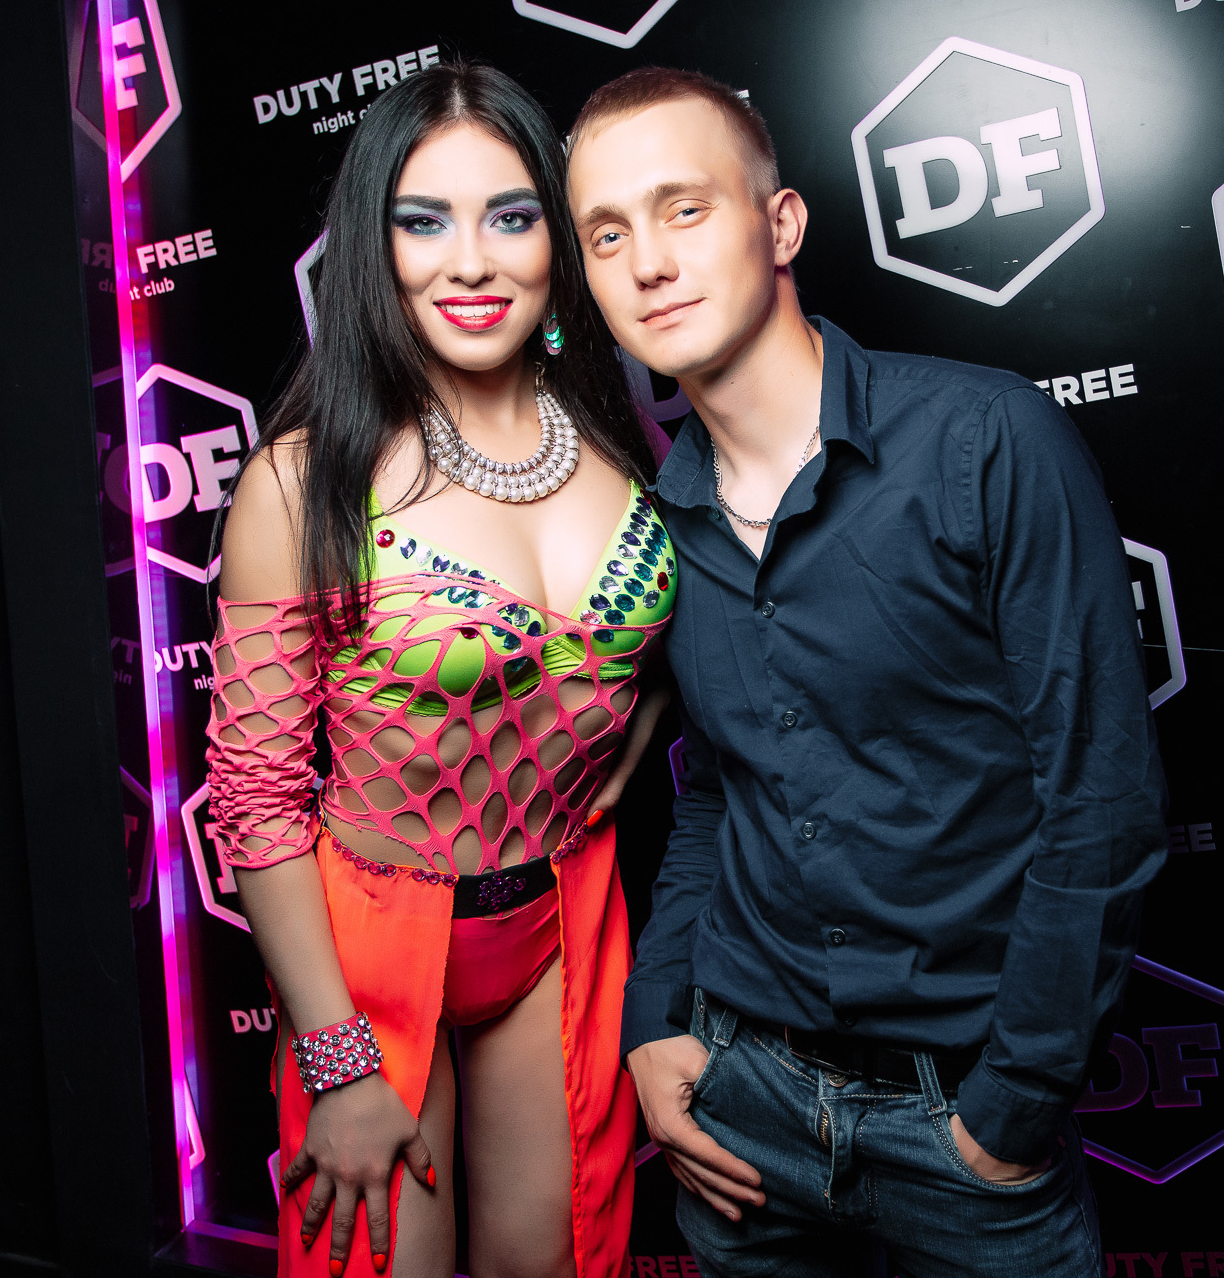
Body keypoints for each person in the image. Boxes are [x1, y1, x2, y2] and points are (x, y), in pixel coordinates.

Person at [565, 68, 1169, 1277]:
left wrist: (1010, 1112)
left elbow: (1101, 799)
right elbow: (717, 789)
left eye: (685, 209)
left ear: (781, 224)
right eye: (609, 234)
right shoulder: (651, 527)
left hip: (965, 1131)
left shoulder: (986, 441)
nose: (650, 264)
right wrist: (655, 1020)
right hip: (740, 1112)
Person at [207, 63, 676, 1278]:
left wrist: (648, 710)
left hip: (564, 912)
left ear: (556, 235)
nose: (471, 262)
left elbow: (695, 622)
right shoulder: (302, 482)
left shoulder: (626, 447)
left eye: (510, 216)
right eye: (425, 221)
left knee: (563, 1259)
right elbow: (255, 798)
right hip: (369, 951)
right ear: (377, 248)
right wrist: (335, 1058)